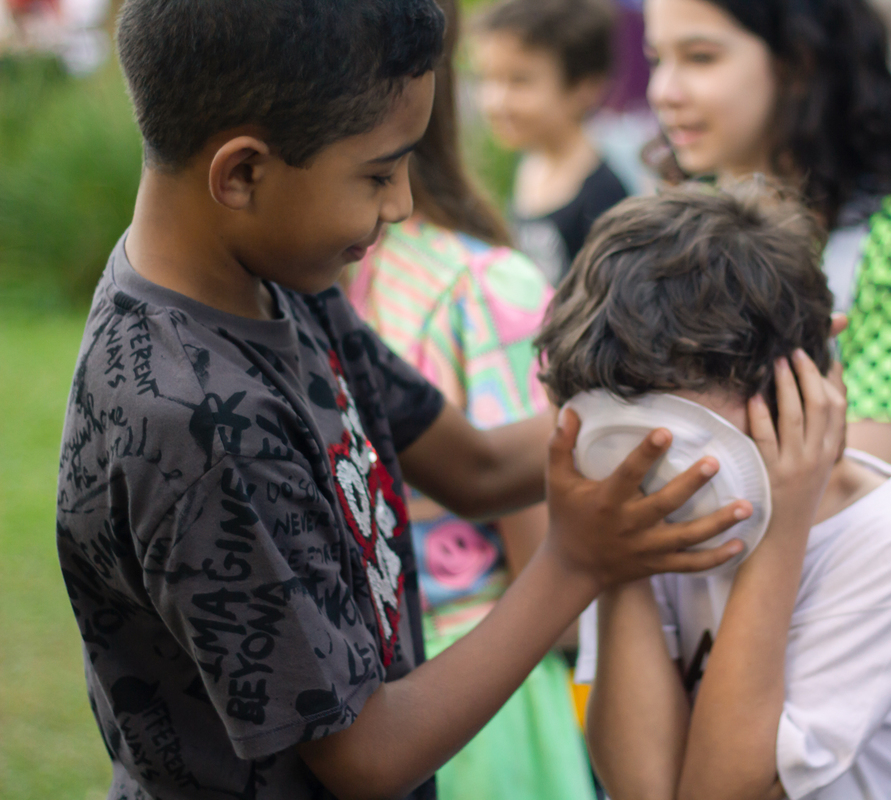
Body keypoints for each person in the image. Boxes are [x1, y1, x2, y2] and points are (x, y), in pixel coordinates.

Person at [55, 2, 753, 798]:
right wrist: (574, 563)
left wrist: (686, 391)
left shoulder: (278, 287)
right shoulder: (203, 425)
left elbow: (477, 467)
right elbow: (367, 756)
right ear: (242, 173)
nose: (400, 204)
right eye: (379, 174)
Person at [538, 181, 891, 799]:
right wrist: (618, 563)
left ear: (799, 380)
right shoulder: (647, 515)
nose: (647, 460)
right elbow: (641, 790)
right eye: (617, 430)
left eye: (679, 429)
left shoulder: (890, 532)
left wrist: (781, 532)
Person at [346, 1, 594, 798]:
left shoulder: (294, 294)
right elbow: (546, 557)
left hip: (381, 693)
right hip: (487, 708)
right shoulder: (478, 286)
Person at [641, 0, 891, 466]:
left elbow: (857, 479)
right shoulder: (661, 221)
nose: (663, 92)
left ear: (799, 63)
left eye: (700, 57)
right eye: (657, 59)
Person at [474, 0, 629, 285]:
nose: (496, 101)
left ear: (584, 87)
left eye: (519, 81)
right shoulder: (529, 161)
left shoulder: (604, 197)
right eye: (488, 78)